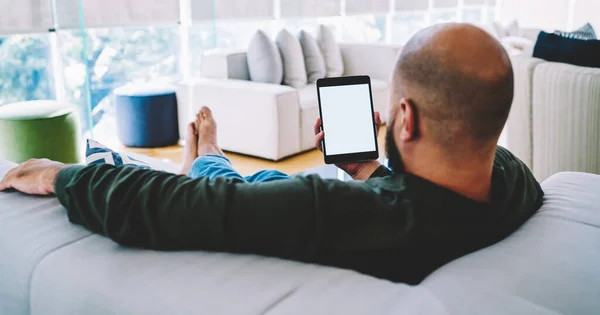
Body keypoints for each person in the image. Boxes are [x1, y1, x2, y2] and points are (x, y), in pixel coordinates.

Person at [0, 23, 543, 284]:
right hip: (381, 187)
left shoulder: (332, 210)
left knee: (222, 179)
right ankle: (207, 153)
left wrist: (58, 175)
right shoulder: (516, 183)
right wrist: (365, 167)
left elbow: (166, 206)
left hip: (256, 201)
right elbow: (419, 199)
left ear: (405, 119)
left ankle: (207, 149)